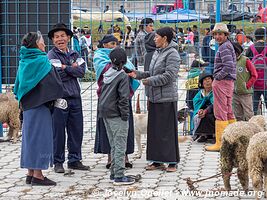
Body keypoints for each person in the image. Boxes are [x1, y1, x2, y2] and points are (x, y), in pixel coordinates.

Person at [14, 31, 63, 186]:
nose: (44, 43)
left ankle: (30, 172)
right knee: (41, 139)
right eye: (42, 41)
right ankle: (38, 175)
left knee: (29, 139)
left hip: (27, 107)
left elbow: (17, 86)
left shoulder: (24, 60)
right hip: (41, 105)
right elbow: (54, 84)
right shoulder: (42, 61)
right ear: (36, 44)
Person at [129, 27, 180, 172]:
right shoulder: (157, 53)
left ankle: (171, 161)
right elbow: (150, 73)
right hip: (154, 97)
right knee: (155, 131)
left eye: (156, 37)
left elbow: (169, 76)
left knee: (167, 131)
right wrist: (137, 74)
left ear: (165, 38)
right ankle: (156, 161)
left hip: (166, 98)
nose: (154, 39)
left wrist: (149, 81)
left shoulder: (173, 54)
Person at [47, 23, 89, 173]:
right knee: (58, 131)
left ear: (69, 37)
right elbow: (57, 74)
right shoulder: (51, 55)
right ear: (52, 40)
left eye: (62, 36)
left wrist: (65, 67)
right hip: (60, 98)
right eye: (56, 37)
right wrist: (72, 68)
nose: (60, 39)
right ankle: (58, 162)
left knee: (76, 130)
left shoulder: (75, 54)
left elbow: (82, 72)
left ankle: (74, 160)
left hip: (75, 97)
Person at [93, 34, 140, 169]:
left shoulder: (120, 55)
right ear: (104, 45)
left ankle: (124, 156)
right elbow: (106, 69)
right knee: (108, 128)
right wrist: (120, 66)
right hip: (107, 98)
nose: (114, 46)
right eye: (111, 44)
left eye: (115, 44)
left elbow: (129, 69)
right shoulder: (99, 56)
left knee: (124, 128)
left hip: (123, 96)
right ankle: (110, 157)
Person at [98, 47, 135, 185]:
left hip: (105, 112)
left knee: (113, 144)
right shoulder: (122, 76)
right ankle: (119, 175)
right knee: (120, 145)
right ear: (124, 61)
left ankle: (113, 173)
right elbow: (124, 98)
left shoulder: (107, 73)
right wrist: (125, 116)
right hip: (117, 114)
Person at [205, 23, 237, 152]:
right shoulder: (228, 45)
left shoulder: (223, 48)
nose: (217, 36)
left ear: (225, 35)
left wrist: (217, 77)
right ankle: (233, 140)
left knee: (220, 112)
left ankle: (221, 143)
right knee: (228, 111)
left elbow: (228, 66)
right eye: (216, 34)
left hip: (222, 82)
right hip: (229, 82)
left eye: (220, 34)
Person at [232, 42, 258, 121]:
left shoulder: (245, 60)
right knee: (238, 115)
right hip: (234, 93)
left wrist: (247, 85)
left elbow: (254, 75)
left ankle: (252, 131)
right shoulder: (230, 61)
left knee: (249, 114)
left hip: (245, 94)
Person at [246, 28, 267, 114]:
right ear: (264, 36)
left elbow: (246, 64)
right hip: (266, 82)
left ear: (255, 37)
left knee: (253, 107)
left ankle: (254, 123)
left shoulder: (250, 48)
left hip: (254, 82)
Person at [192, 73, 215, 143]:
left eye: (209, 79)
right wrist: (200, 111)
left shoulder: (215, 92)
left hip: (212, 111)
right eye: (205, 80)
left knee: (210, 117)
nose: (207, 81)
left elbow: (215, 104)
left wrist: (206, 110)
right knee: (197, 117)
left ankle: (214, 135)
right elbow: (196, 104)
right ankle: (203, 135)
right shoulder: (200, 94)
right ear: (202, 83)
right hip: (202, 111)